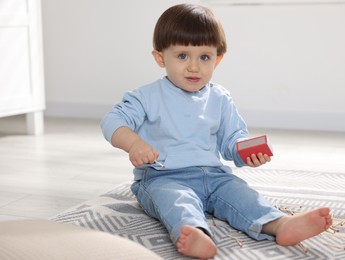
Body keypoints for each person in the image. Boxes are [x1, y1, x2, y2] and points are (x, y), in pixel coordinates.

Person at [101, 3, 332, 259]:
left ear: (218, 59)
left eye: (204, 57)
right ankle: (194, 233)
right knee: (177, 202)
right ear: (160, 57)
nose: (193, 67)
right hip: (163, 177)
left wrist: (245, 152)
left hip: (215, 176)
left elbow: (231, 140)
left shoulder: (220, 98)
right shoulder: (146, 96)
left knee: (242, 195)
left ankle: (279, 223)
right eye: (182, 56)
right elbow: (113, 121)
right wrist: (134, 144)